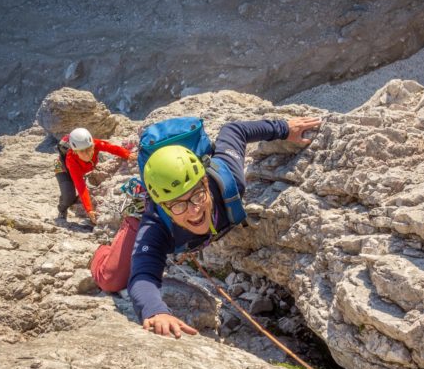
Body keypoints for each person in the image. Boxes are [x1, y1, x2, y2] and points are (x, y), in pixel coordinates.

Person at [127, 116, 322, 338]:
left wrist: (283, 128)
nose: (194, 210)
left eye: (197, 195)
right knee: (111, 278)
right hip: (145, 223)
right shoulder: (156, 225)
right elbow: (142, 276)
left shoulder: (228, 180)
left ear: (205, 182)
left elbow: (235, 130)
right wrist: (155, 311)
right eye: (178, 205)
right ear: (163, 207)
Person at [55, 127, 133, 224]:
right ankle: (62, 209)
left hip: (80, 168)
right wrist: (89, 210)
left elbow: (112, 148)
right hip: (61, 168)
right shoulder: (71, 160)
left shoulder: (95, 144)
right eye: (82, 151)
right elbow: (81, 186)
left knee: (74, 192)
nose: (86, 154)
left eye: (88, 149)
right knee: (68, 197)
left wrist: (128, 155)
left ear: (92, 145)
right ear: (75, 151)